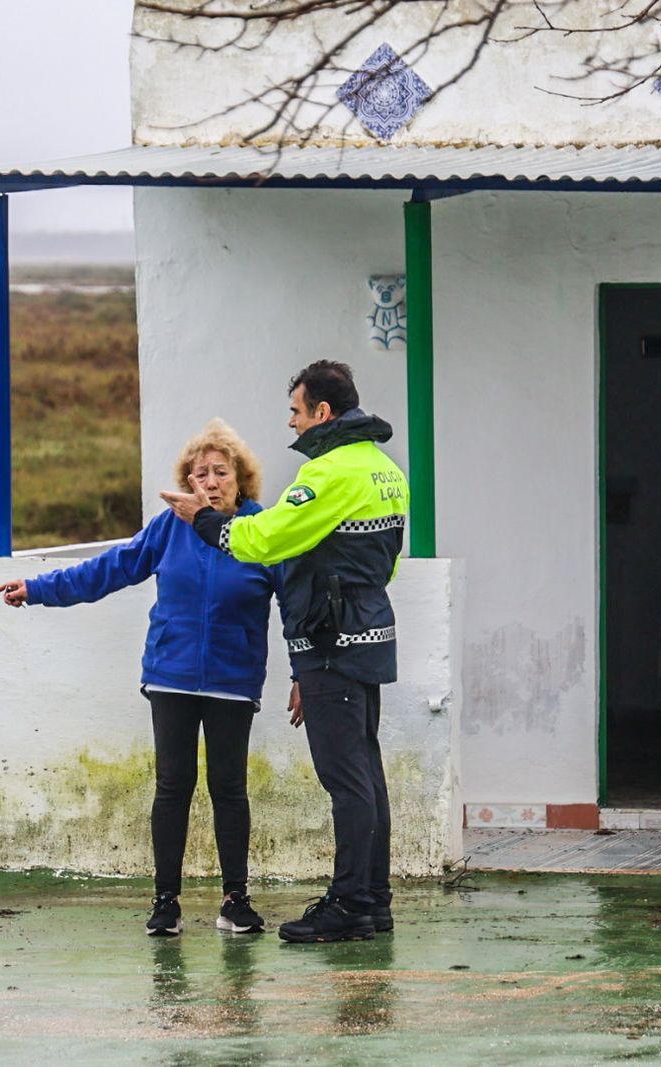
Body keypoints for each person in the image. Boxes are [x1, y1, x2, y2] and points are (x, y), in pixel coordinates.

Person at [0, 419, 282, 938]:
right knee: (173, 785)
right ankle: (165, 902)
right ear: (187, 483)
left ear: (241, 479)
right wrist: (36, 588)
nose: (210, 482)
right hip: (170, 676)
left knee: (228, 788)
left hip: (232, 681)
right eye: (199, 474)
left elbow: (298, 605)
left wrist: (307, 671)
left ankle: (236, 900)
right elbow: (108, 569)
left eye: (221, 472)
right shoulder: (169, 528)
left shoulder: (262, 530)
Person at [161, 360, 409, 944]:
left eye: (296, 411)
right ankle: (373, 900)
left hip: (330, 643)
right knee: (367, 776)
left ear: (323, 413)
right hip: (368, 632)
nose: (291, 424)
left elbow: (262, 539)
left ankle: (350, 903)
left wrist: (204, 521)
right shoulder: (383, 469)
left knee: (345, 780)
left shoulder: (327, 474)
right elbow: (389, 560)